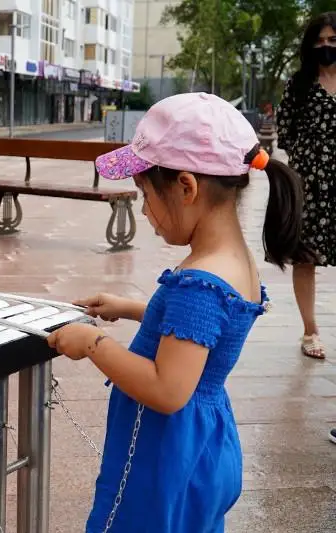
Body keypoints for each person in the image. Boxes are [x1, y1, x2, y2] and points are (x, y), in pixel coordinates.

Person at [46, 92, 310, 533]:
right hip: (205, 444)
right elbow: (199, 336)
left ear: (186, 187)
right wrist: (130, 309)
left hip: (164, 449)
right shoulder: (233, 262)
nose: (145, 212)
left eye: (145, 195)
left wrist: (92, 343)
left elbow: (168, 389)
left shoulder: (200, 282)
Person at [276, 12, 336, 360]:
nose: (325, 46)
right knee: (305, 257)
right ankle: (310, 330)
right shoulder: (298, 84)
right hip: (310, 181)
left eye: (332, 40)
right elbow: (286, 131)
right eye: (319, 40)